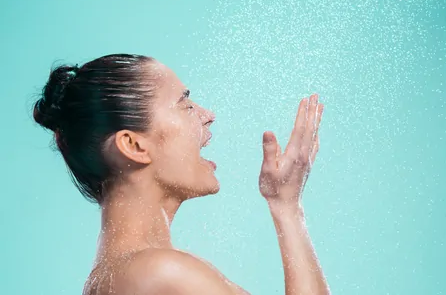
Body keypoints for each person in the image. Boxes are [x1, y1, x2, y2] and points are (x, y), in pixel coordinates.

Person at [33, 54, 330, 295]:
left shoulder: (114, 277)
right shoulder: (160, 274)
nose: (207, 115)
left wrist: (285, 204)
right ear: (134, 145)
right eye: (185, 105)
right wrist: (288, 210)